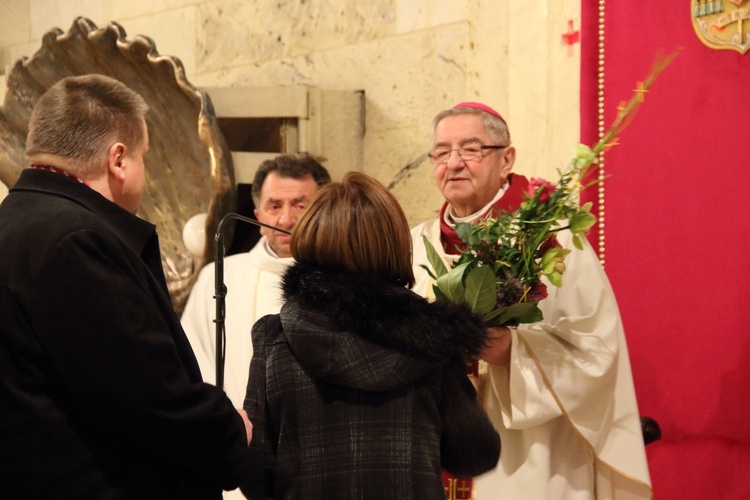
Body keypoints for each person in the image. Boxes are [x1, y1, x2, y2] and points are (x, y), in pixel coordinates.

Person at [0, 74, 251, 499]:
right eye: (143, 158)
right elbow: (145, 400)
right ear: (118, 159)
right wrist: (229, 431)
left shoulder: (13, 223)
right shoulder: (77, 242)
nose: (144, 174)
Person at [411, 102, 652, 499]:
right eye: (441, 152)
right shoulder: (417, 244)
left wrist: (514, 351)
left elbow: (597, 347)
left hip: (532, 453)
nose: (452, 163)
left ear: (507, 159)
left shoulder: (550, 237)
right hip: (436, 446)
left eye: (470, 149)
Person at [241, 172, 501, 499]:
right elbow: (475, 455)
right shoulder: (433, 336)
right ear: (394, 243)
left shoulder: (274, 338)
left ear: (311, 236)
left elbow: (253, 475)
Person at [181, 154, 331, 407]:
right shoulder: (218, 277)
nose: (286, 220)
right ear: (258, 216)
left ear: (323, 213)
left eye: (299, 206)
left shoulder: (341, 278)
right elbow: (192, 360)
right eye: (274, 207)